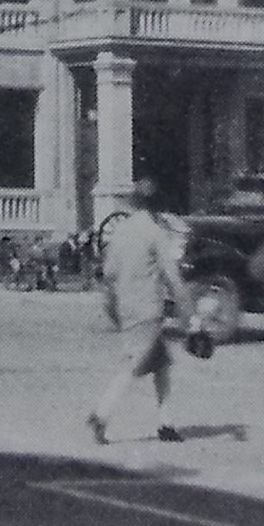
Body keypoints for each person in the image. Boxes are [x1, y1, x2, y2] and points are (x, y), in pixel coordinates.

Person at [86, 178, 202, 445]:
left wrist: (112, 307)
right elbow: (173, 278)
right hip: (148, 309)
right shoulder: (156, 232)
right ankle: (101, 414)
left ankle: (166, 423)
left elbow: (109, 275)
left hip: (126, 307)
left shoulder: (122, 231)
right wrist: (193, 318)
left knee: (161, 364)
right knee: (134, 365)